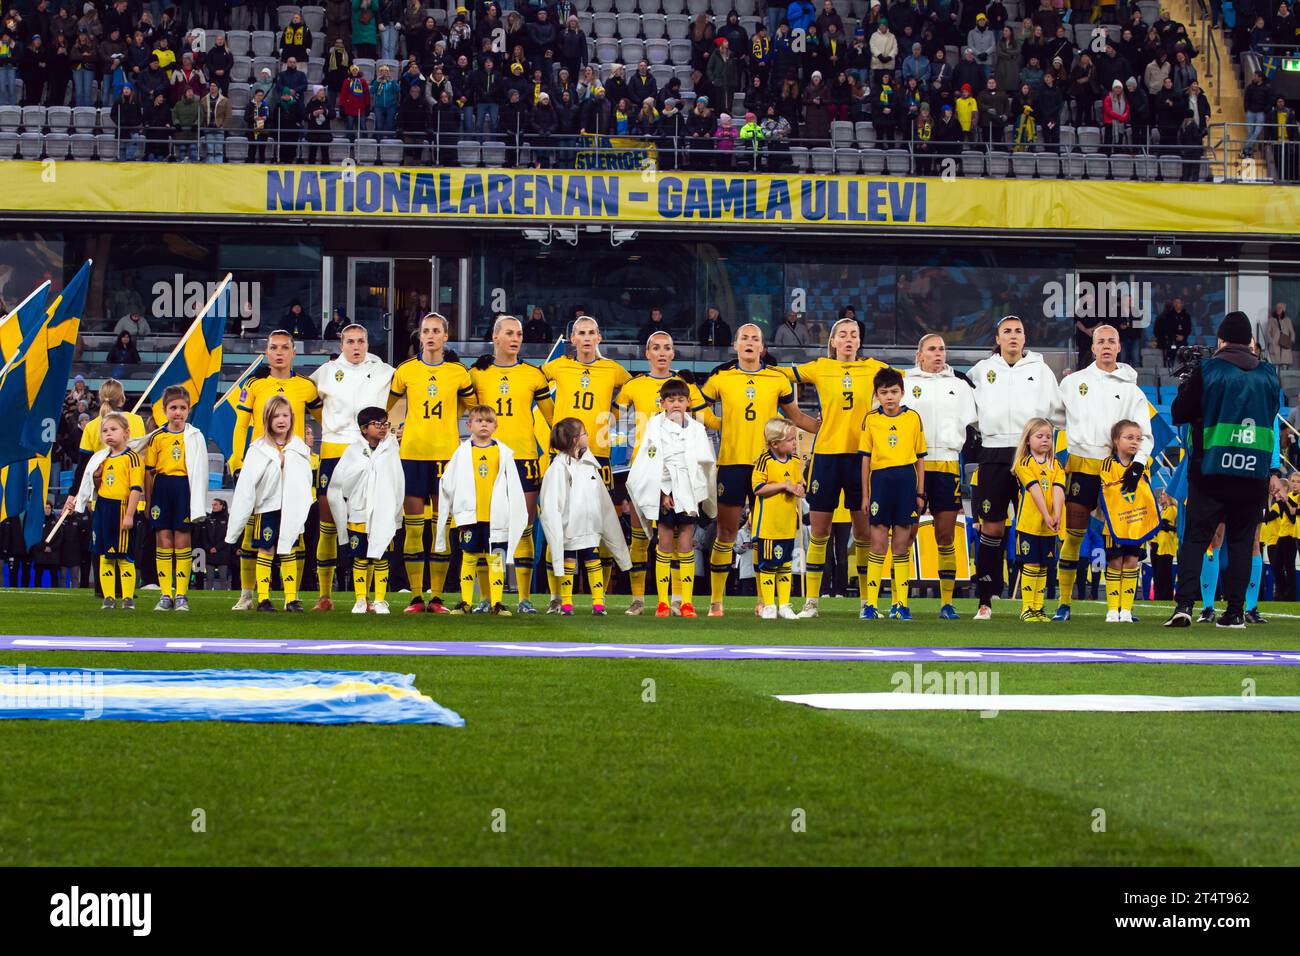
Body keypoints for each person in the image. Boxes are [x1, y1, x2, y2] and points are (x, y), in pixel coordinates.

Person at [1165, 312, 1285, 628]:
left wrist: (1186, 385)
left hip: (1211, 469)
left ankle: (1185, 607)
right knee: (1242, 542)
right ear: (1249, 341)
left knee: (1195, 539)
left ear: (1220, 340)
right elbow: (1272, 412)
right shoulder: (1270, 374)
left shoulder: (1208, 370)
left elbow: (1180, 413)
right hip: (1253, 470)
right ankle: (1234, 612)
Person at [698, 324, 820, 617]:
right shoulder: (721, 378)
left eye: (755, 338)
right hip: (732, 463)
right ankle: (716, 601)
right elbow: (697, 407)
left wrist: (822, 428)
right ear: (735, 345)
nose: (750, 342)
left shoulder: (776, 379)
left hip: (768, 466)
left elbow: (795, 416)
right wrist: (718, 424)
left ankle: (763, 602)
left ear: (762, 347)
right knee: (726, 532)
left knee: (762, 534)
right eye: (744, 338)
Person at [613, 332, 719, 615]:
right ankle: (639, 599)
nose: (661, 353)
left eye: (667, 348)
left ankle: (678, 599)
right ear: (647, 353)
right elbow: (609, 414)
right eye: (656, 348)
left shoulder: (689, 388)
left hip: (683, 477)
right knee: (641, 536)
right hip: (645, 471)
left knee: (680, 541)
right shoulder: (633, 386)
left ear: (673, 354)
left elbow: (707, 421)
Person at [1052, 324, 1153, 621]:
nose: (1107, 346)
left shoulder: (1131, 389)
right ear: (1093, 348)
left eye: (1112, 341)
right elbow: (1056, 418)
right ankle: (1065, 603)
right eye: (1101, 342)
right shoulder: (1073, 383)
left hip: (1118, 470)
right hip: (1082, 464)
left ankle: (1122, 609)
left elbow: (1144, 434)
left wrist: (1137, 466)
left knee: (1121, 538)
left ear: (1119, 347)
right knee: (1073, 535)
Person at [968, 316, 1064, 620]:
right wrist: (987, 429)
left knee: (1035, 525)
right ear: (997, 338)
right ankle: (986, 598)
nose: (1012, 336)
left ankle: (1034, 602)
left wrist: (1039, 439)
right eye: (1006, 331)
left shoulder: (1041, 370)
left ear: (1025, 338)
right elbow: (967, 411)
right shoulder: (982, 371)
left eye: (1018, 331)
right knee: (992, 526)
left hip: (1030, 455)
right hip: (993, 453)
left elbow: (1058, 414)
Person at [790, 318, 887, 618]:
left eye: (853, 335)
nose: (848, 339)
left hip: (861, 458)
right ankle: (811, 603)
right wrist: (802, 420)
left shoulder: (875, 369)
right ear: (832, 342)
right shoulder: (819, 367)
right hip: (826, 456)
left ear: (859, 341)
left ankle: (866, 604)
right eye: (842, 335)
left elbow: (900, 389)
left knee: (863, 533)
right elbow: (780, 379)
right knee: (819, 530)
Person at [227, 331, 322, 611]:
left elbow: (328, 419)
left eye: (284, 348)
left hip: (292, 466)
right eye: (273, 348)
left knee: (295, 532)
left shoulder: (306, 387)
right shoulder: (254, 385)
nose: (279, 352)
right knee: (253, 535)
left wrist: (314, 453)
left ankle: (293, 595)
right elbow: (240, 425)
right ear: (266, 353)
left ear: (293, 352)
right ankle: (248, 594)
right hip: (262, 467)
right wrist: (237, 461)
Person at [539, 316, 631, 607]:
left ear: (599, 338)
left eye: (592, 332)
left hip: (597, 458)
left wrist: (612, 416)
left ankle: (599, 598)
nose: (587, 337)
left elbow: (633, 392)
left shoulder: (613, 370)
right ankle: (556, 596)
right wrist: (555, 421)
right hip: (562, 458)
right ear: (573, 339)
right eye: (581, 333)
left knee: (599, 525)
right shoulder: (557, 366)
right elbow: (533, 385)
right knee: (556, 522)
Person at [387, 313, 475, 614]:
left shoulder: (458, 373)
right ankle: (415, 597)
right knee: (412, 530)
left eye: (437, 330)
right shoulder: (405, 371)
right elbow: (387, 406)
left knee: (440, 530)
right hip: (411, 454)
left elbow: (474, 407)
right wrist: (394, 429)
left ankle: (436, 597)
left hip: (446, 457)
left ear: (445, 336)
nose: (431, 335)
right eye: (426, 331)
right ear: (420, 336)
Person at [468, 315, 555, 613]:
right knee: (490, 529)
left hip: (525, 458)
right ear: (495, 337)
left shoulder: (533, 375)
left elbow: (551, 417)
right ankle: (488, 598)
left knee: (524, 528)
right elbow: (465, 411)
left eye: (518, 333)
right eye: (509, 333)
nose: (516, 338)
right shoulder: (477, 374)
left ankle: (524, 598)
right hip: (489, 459)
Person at [310, 323, 396, 610]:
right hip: (334, 450)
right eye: (350, 341)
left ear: (368, 342)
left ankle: (368, 598)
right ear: (341, 344)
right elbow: (309, 402)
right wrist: (330, 425)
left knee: (368, 522)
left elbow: (403, 396)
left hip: (369, 452)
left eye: (361, 341)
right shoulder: (325, 373)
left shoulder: (384, 370)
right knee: (328, 524)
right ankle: (325, 595)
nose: (356, 346)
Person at [903, 334, 979, 618]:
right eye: (932, 349)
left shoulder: (959, 386)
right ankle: (902, 601)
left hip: (947, 463)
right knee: (906, 534)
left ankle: (947, 602)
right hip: (912, 465)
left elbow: (974, 422)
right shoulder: (906, 383)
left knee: (945, 535)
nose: (938, 353)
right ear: (919, 354)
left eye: (942, 349)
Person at [433, 404, 529, 614]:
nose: (484, 424)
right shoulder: (462, 452)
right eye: (479, 420)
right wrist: (456, 508)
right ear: (469, 425)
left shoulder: (503, 452)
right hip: (470, 516)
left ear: (496, 425)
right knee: (469, 557)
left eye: (489, 421)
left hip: (497, 516)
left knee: (495, 558)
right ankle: (465, 602)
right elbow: (447, 483)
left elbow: (513, 486)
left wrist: (515, 512)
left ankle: (496, 602)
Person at [225, 395, 314, 612]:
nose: (281, 420)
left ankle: (291, 598)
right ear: (267, 419)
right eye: (276, 416)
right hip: (266, 507)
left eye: (285, 415)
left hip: (290, 508)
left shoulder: (299, 447)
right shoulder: (258, 448)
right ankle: (263, 598)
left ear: (292, 418)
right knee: (266, 549)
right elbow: (247, 484)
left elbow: (305, 479)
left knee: (289, 549)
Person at [538, 417, 632, 615]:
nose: (588, 436)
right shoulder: (557, 469)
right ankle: (566, 603)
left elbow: (602, 500)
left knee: (593, 561)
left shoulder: (590, 464)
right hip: (570, 528)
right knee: (569, 562)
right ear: (574, 440)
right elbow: (551, 504)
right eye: (584, 433)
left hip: (590, 527)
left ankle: (598, 603)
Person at [858, 367, 926, 621]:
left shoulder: (913, 418)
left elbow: (920, 459)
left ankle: (901, 604)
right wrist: (866, 496)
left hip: (906, 482)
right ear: (876, 394)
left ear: (902, 393)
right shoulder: (871, 419)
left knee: (900, 546)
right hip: (881, 483)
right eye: (884, 392)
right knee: (877, 545)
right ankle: (871, 605)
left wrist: (920, 492)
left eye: (894, 392)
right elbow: (865, 460)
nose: (889, 397)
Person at [323, 406, 403, 615]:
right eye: (377, 424)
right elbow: (341, 482)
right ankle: (360, 599)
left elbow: (397, 480)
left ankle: (379, 599)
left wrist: (395, 510)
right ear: (363, 428)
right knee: (360, 557)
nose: (382, 428)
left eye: (385, 424)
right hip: (359, 511)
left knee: (382, 557)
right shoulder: (353, 451)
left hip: (383, 512)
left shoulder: (391, 450)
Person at [66, 413, 143, 610]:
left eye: (113, 429)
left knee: (123, 556)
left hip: (122, 508)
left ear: (126, 433)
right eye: (105, 431)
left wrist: (129, 515)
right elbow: (95, 485)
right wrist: (96, 479)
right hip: (103, 509)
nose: (108, 434)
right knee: (104, 554)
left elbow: (136, 488)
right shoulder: (101, 459)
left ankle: (127, 598)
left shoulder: (132, 458)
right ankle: (108, 597)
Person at [143, 386, 209, 612]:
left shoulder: (195, 436)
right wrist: (149, 501)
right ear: (164, 410)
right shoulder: (157, 437)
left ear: (188, 410)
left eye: (182, 408)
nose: (178, 412)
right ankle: (165, 595)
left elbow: (201, 471)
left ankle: (181, 594)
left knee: (182, 540)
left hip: (184, 488)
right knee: (163, 539)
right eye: (173, 408)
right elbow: (149, 472)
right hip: (162, 488)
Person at [1098, 420, 1155, 623]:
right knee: (1115, 562)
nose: (1134, 442)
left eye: (1138, 439)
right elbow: (1109, 491)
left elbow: (1145, 492)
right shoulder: (1107, 463)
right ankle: (1113, 609)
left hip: (1135, 524)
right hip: (1114, 525)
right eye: (1129, 437)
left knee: (1131, 562)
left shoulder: (1143, 464)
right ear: (1116, 440)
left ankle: (1127, 611)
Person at [750, 418, 805, 621]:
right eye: (790, 440)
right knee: (769, 565)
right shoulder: (765, 460)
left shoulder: (796, 460)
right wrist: (784, 485)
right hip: (768, 525)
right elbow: (758, 489)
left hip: (788, 523)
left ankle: (784, 604)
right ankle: (769, 605)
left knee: (785, 564)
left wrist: (799, 488)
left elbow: (799, 484)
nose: (794, 443)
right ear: (775, 443)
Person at [1011, 417, 1065, 622]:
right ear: (1027, 440)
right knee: (1031, 563)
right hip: (1029, 524)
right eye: (1039, 436)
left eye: (1049, 437)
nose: (1045, 440)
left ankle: (1039, 607)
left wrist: (1057, 514)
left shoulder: (1056, 464)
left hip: (1049, 524)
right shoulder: (1024, 463)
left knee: (1044, 565)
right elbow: (1034, 490)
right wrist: (1046, 515)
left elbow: (1058, 489)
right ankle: (1027, 608)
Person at [1152, 491, 1178, 600]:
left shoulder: (1171, 509)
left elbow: (1162, 524)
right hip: (1159, 544)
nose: (1161, 496)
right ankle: (1159, 596)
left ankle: (1166, 597)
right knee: (1158, 574)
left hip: (1167, 545)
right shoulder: (1163, 509)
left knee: (1164, 574)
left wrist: (1160, 524)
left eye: (1163, 494)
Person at [204, 497, 232, 590]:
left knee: (223, 578)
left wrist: (217, 548)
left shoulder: (227, 519)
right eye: (212, 505)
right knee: (209, 578)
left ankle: (224, 596)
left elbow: (228, 536)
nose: (213, 506)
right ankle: (207, 597)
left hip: (222, 552)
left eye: (215, 504)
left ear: (222, 506)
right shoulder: (208, 519)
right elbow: (204, 536)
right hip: (209, 552)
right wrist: (209, 548)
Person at [1154, 296, 1192, 363]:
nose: (1177, 304)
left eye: (1179, 302)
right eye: (1175, 302)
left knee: (1184, 361)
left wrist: (1183, 336)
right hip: (1172, 342)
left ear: (1182, 304)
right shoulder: (1168, 315)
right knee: (1170, 360)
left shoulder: (1186, 316)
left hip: (1183, 341)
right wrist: (1174, 336)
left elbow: (1189, 329)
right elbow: (1166, 329)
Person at [1263, 301, 1295, 370]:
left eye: (1280, 308)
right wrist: (1271, 341)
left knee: (1284, 367)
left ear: (1283, 310)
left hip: (1285, 346)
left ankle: (1284, 380)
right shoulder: (1271, 320)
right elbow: (1267, 332)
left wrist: (1291, 341)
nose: (1278, 309)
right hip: (1275, 346)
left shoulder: (1287, 320)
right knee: (1274, 367)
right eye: (1277, 308)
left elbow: (1292, 332)